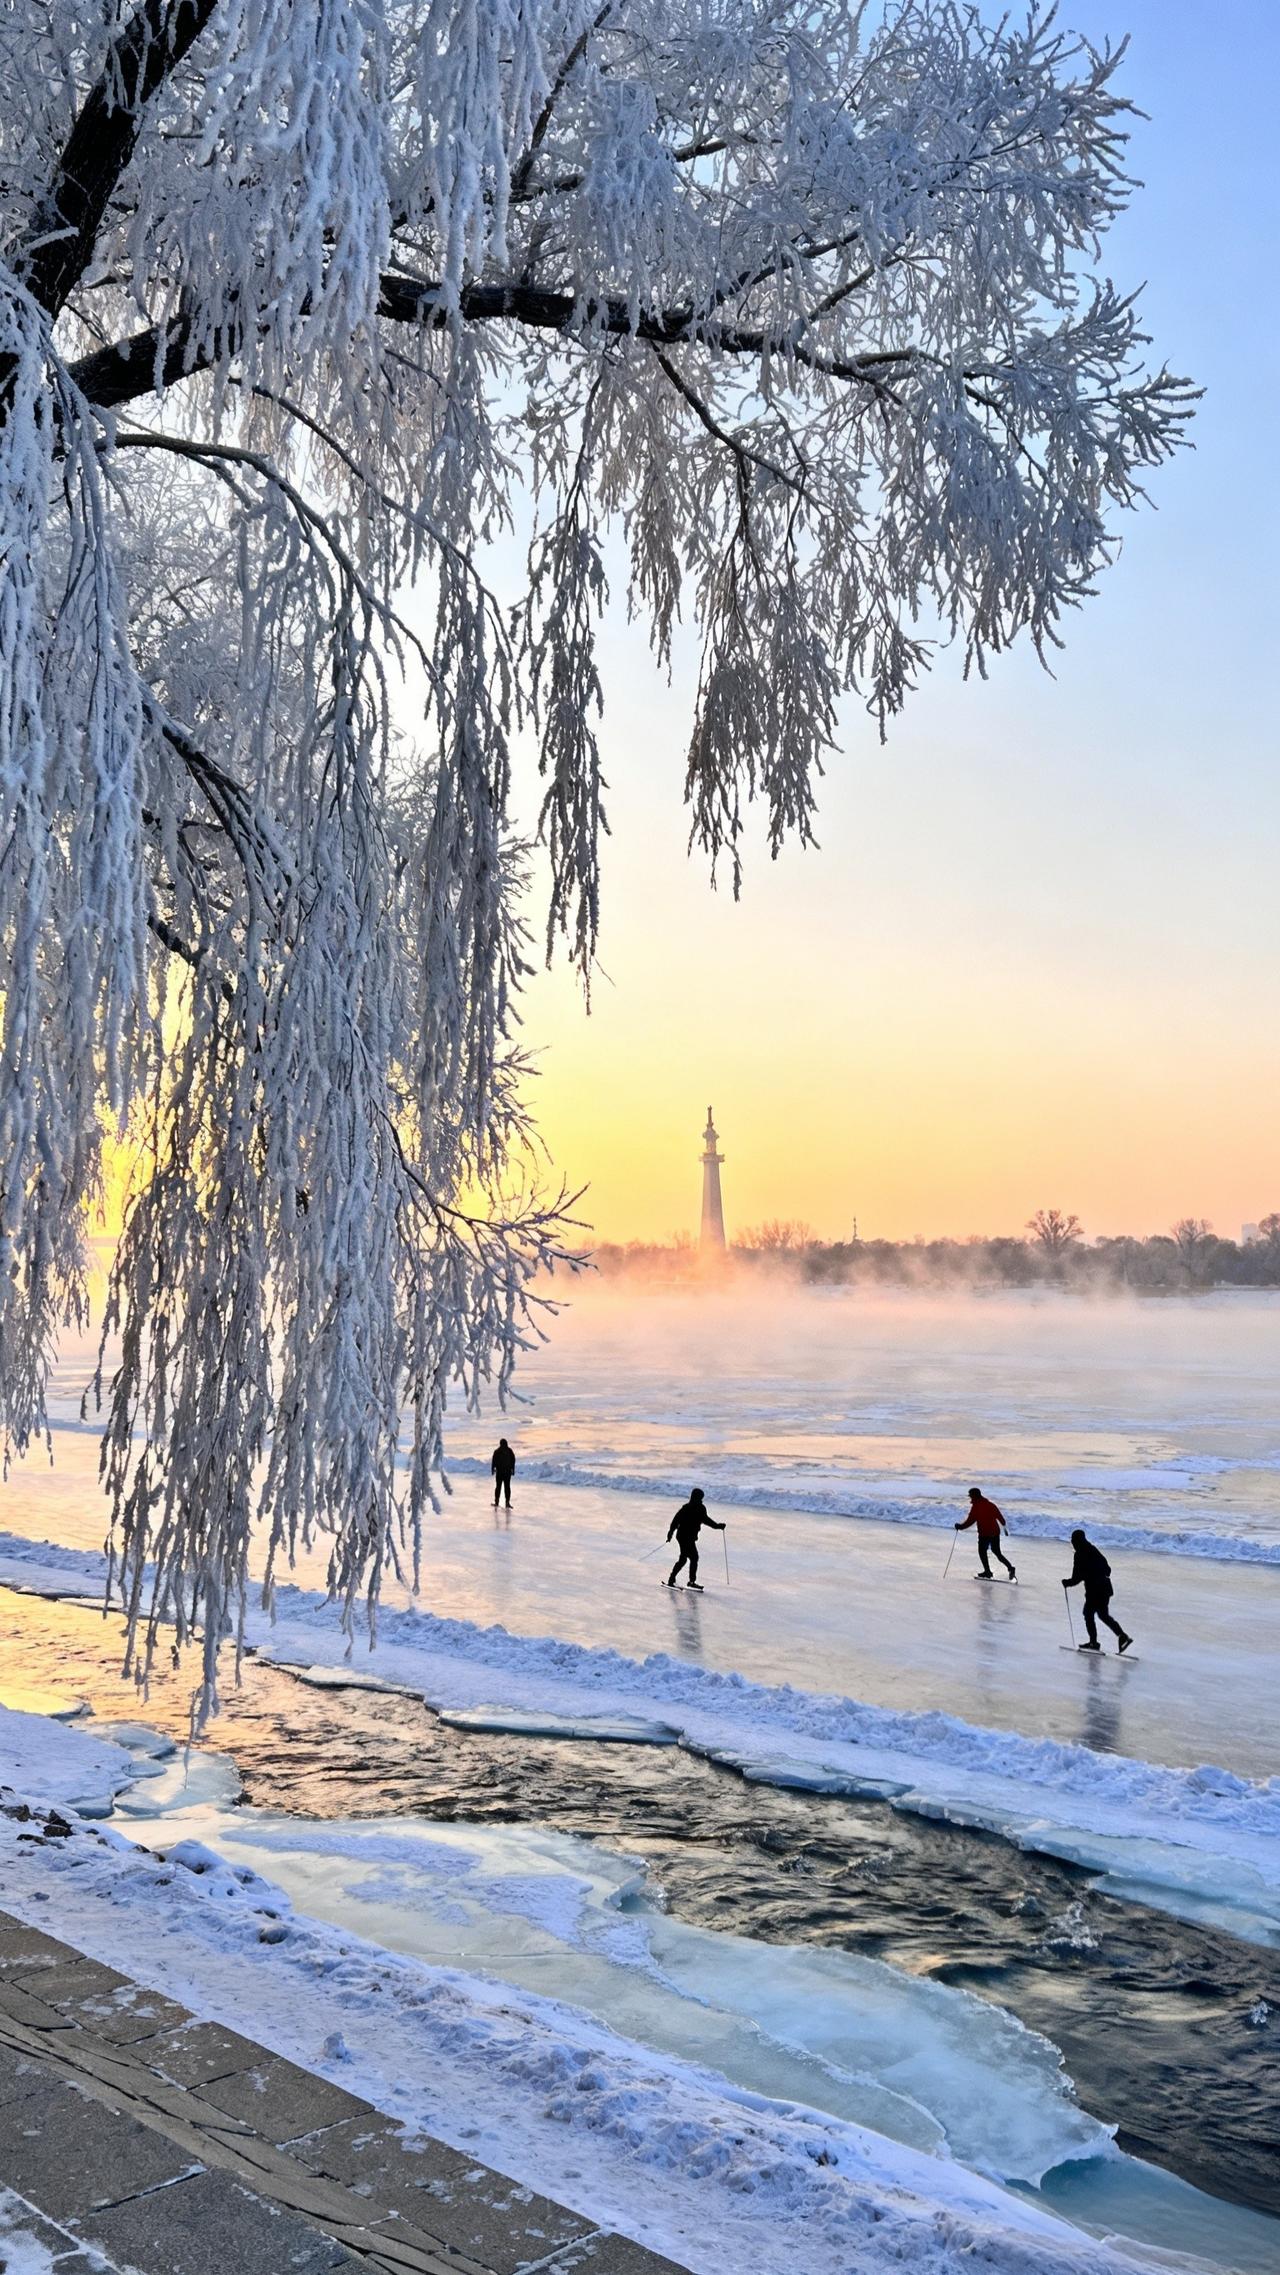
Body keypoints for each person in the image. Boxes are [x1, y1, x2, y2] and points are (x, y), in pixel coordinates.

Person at [1062, 1529, 1132, 1652]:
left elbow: (1077, 1577)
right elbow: (1107, 1569)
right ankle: (1122, 1636)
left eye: (1073, 1541)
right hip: (1105, 1588)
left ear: (1077, 1541)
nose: (1072, 1543)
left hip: (1095, 1590)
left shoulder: (1079, 1554)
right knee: (1103, 1615)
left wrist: (1067, 1582)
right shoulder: (1093, 1549)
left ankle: (1094, 1643)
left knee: (1088, 1614)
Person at [665, 1487, 725, 1590]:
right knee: (691, 1558)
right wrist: (670, 1533)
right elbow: (676, 1521)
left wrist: (717, 1526)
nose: (701, 1500)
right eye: (700, 1498)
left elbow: (706, 1520)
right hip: (683, 1537)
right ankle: (686, 1581)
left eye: (701, 1498)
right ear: (695, 1497)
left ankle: (676, 1579)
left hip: (688, 1537)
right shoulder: (688, 1508)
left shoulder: (698, 1508)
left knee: (685, 1559)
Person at [954, 1486, 1016, 1580]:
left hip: (985, 1533)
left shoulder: (976, 1507)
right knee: (997, 1552)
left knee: (982, 1552)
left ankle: (987, 1572)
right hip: (995, 1532)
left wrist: (960, 1527)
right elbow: (1002, 1519)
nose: (970, 1498)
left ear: (974, 1496)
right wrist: (1003, 1526)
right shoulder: (990, 1504)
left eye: (971, 1496)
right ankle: (1010, 1568)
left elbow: (970, 1521)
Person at [490, 1437, 516, 1509]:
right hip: (507, 1473)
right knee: (507, 1487)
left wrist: (493, 1469)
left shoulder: (497, 1451)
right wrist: (513, 1470)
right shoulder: (509, 1451)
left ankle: (497, 1502)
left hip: (500, 1473)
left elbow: (493, 1461)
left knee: (498, 1487)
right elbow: (513, 1460)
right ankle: (507, 1503)